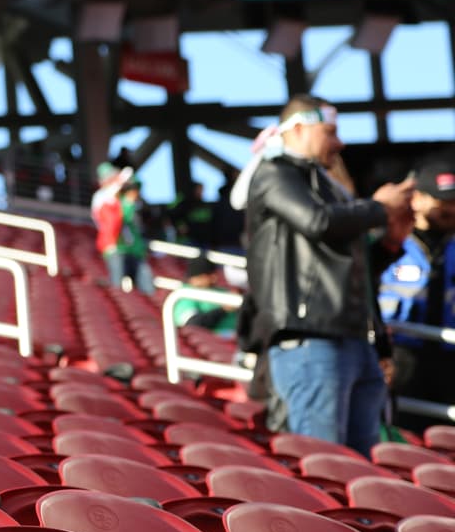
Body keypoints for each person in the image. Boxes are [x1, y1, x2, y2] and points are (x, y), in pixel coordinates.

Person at [244, 95, 413, 456]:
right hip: (311, 337)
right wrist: (379, 208)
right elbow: (318, 222)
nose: (340, 143)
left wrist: (388, 245)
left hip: (352, 338)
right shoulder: (274, 173)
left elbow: (347, 261)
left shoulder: (327, 185)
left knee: (358, 469)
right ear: (300, 127)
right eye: (331, 132)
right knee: (326, 466)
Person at [378, 154, 455, 430]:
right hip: (402, 354)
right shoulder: (386, 240)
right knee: (401, 431)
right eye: (440, 199)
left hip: (449, 356)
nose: (449, 208)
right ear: (418, 198)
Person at [97, 178, 154, 295]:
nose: (136, 194)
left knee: (146, 284)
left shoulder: (134, 208)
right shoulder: (115, 205)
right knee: (117, 286)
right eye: (133, 190)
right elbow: (114, 222)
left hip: (134, 251)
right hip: (117, 249)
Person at [173, 258, 239, 334]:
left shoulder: (221, 291)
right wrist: (223, 310)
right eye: (209, 275)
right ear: (196, 278)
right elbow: (192, 324)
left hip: (237, 335)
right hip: (214, 340)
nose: (214, 277)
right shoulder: (184, 295)